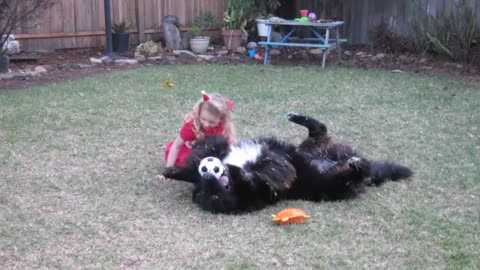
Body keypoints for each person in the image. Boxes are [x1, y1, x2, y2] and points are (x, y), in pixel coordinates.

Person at [159, 90, 235, 179]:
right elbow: (176, 146)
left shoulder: (223, 126)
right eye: (203, 119)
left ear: (221, 119)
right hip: (193, 153)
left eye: (212, 122)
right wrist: (167, 173)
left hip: (212, 152)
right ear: (198, 113)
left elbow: (229, 147)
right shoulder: (191, 126)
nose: (206, 124)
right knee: (187, 166)